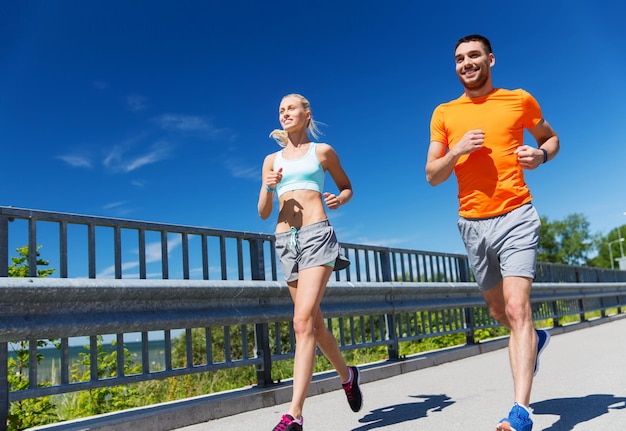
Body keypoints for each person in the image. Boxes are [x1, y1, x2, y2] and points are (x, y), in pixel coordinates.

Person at [425, 34, 560, 431]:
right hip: (472, 223)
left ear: (490, 59)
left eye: (473, 56)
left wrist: (541, 155)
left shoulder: (518, 99)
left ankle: (520, 412)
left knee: (517, 309)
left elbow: (550, 137)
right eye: (459, 59)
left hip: (517, 213)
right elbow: (433, 175)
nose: (466, 63)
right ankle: (534, 339)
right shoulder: (444, 113)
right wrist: (456, 151)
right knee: (499, 311)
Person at [258, 93, 363, 431]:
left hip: (318, 235)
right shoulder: (271, 160)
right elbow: (262, 213)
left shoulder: (323, 151)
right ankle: (348, 376)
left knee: (301, 323)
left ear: (307, 114)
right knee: (314, 327)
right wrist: (268, 186)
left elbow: (347, 187)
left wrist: (339, 199)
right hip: (285, 240)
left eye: (291, 108)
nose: (285, 113)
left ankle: (295, 415)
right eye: (281, 110)